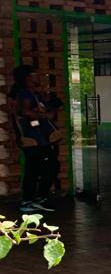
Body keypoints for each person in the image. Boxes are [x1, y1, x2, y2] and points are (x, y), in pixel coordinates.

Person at [9, 64, 60, 213]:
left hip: (37, 138)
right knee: (48, 166)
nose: (38, 77)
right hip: (34, 139)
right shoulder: (25, 94)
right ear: (27, 78)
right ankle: (36, 199)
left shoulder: (30, 93)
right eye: (35, 75)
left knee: (36, 169)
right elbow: (25, 112)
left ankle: (31, 200)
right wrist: (46, 115)